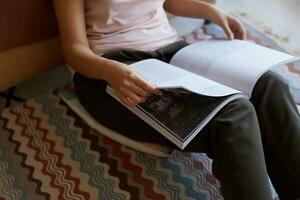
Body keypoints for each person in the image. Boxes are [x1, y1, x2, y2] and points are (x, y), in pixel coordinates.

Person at [52, 0, 300, 199]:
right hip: (114, 67)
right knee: (234, 115)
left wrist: (211, 11)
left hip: (171, 51)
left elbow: (167, 2)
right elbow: (74, 50)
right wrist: (110, 70)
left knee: (269, 85)